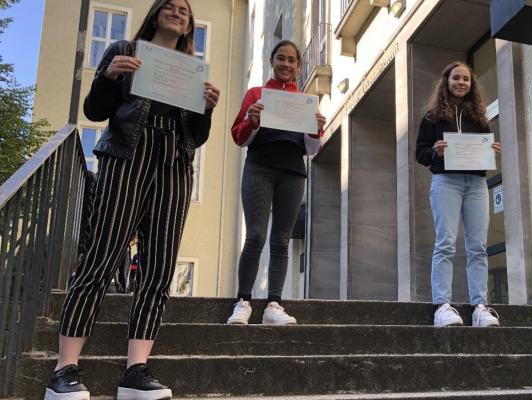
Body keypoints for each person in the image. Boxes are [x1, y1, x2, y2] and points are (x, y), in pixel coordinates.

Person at [45, 1, 220, 399]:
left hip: (175, 162)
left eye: (184, 11)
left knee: (158, 268)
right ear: (156, 13)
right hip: (128, 155)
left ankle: (136, 370)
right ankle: (64, 368)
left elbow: (198, 136)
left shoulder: (192, 68)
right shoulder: (125, 49)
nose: (178, 13)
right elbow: (93, 109)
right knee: (101, 255)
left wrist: (206, 110)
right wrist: (107, 76)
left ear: (190, 24)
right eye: (170, 7)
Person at [225, 40, 325, 325]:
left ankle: (273, 304)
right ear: (272, 61)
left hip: (292, 171)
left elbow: (311, 149)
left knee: (281, 240)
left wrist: (317, 129)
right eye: (281, 58)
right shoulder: (256, 94)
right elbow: (239, 137)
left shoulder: (305, 101)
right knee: (255, 235)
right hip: (259, 167)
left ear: (298, 66)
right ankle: (243, 301)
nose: (286, 64)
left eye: (292, 60)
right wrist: (252, 120)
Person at [415, 61, 501, 328]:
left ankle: (480, 307)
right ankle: (441, 305)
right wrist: (435, 151)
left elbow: (483, 151)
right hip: (446, 182)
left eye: (466, 79)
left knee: (478, 247)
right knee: (446, 243)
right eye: (456, 78)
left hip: (475, 183)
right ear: (447, 81)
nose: (461, 83)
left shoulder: (480, 118)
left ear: (471, 84)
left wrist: (491, 151)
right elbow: (420, 153)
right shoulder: (432, 117)